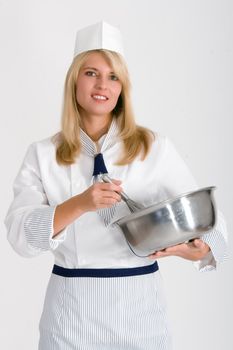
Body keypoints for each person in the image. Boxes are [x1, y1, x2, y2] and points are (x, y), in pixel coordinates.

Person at [5, 21, 228, 350]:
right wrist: (79, 204)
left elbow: (212, 227)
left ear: (123, 87)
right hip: (70, 316)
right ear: (74, 81)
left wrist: (191, 248)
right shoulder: (42, 154)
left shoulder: (155, 148)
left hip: (141, 314)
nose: (102, 85)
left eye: (113, 76)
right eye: (91, 73)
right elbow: (20, 237)